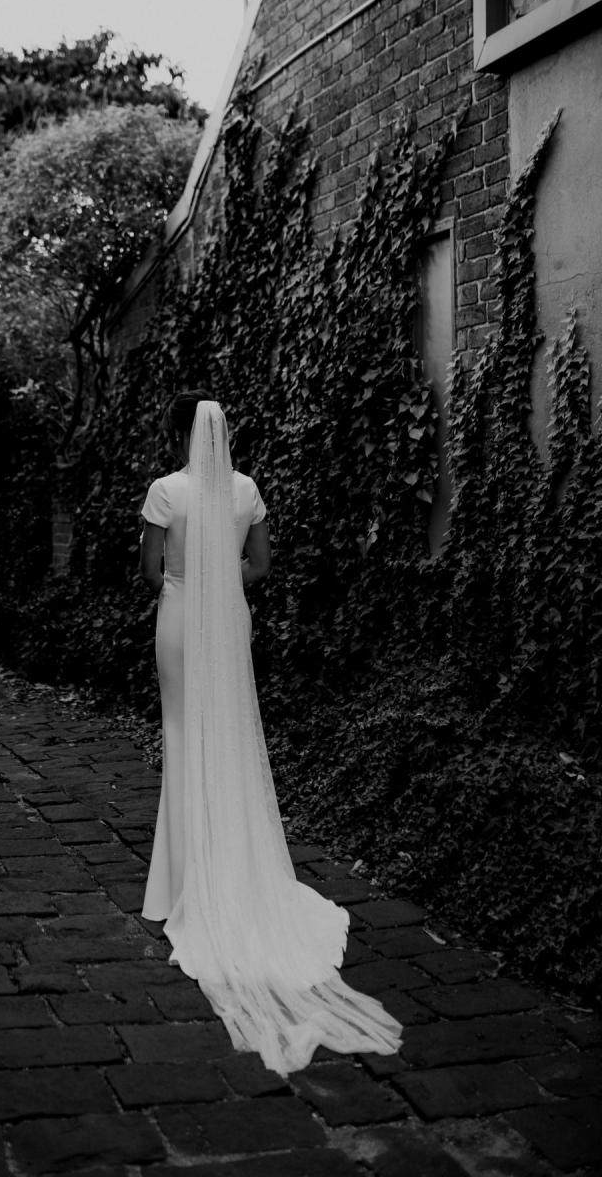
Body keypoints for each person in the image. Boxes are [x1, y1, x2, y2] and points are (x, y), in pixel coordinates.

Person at [138, 391, 403, 1076]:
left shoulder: (166, 491)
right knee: (228, 735)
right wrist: (222, 584)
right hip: (228, 619)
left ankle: (180, 884)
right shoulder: (247, 489)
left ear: (178, 435)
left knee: (184, 735)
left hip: (179, 621)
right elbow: (262, 565)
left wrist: (186, 582)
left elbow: (150, 571)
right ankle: (230, 863)